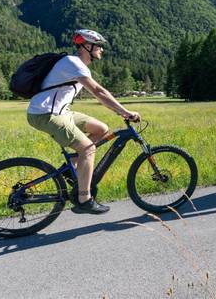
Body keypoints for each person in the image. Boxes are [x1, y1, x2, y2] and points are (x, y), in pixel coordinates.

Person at [26, 29, 141, 214]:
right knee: (88, 148)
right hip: (45, 114)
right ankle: (84, 199)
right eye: (99, 46)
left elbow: (97, 92)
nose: (101, 50)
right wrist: (125, 112)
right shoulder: (73, 63)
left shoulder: (77, 65)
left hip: (61, 112)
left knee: (101, 129)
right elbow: (98, 91)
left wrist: (120, 110)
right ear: (87, 46)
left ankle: (71, 167)